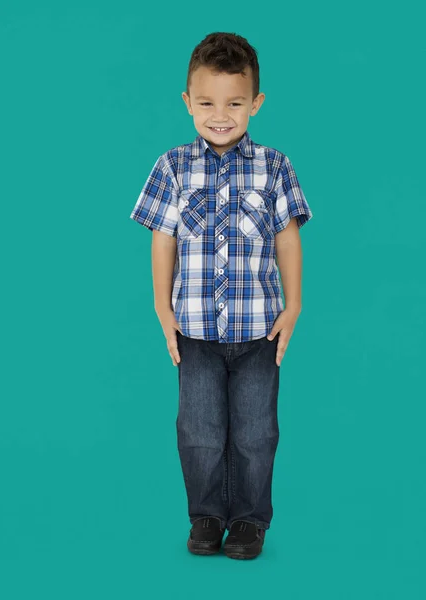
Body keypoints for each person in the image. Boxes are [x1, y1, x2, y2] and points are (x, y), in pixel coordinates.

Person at [129, 32, 313, 560]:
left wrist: (293, 305)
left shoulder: (274, 166)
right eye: (206, 102)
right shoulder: (172, 167)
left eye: (235, 103)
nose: (220, 115)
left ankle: (251, 521)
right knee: (199, 432)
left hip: (259, 332)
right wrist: (163, 309)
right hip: (195, 333)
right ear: (188, 102)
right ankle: (207, 516)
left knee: (256, 434)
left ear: (255, 102)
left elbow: (287, 238)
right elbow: (162, 240)